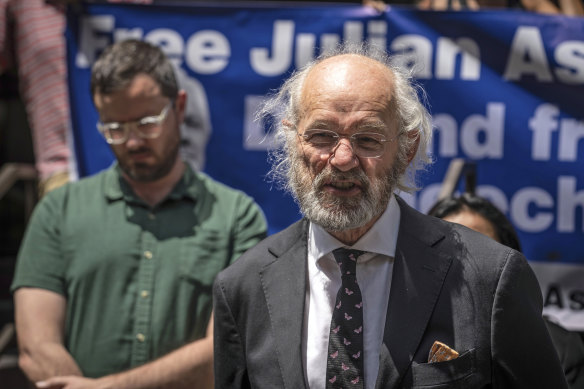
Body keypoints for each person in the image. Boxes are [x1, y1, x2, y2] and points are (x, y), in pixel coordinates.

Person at [212, 43, 568, 388]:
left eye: (368, 139)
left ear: (407, 149)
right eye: (321, 136)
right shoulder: (243, 288)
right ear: (293, 141)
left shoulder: (489, 277)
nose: (342, 159)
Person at [11, 39, 267, 389]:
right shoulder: (58, 211)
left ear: (179, 108)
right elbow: (35, 348)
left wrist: (107, 388)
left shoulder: (237, 217)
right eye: (114, 129)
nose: (131, 142)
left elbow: (225, 350)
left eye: (147, 123)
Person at [429, 192, 584, 389]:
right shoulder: (401, 334)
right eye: (450, 252)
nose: (464, 267)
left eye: (479, 251)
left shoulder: (560, 348)